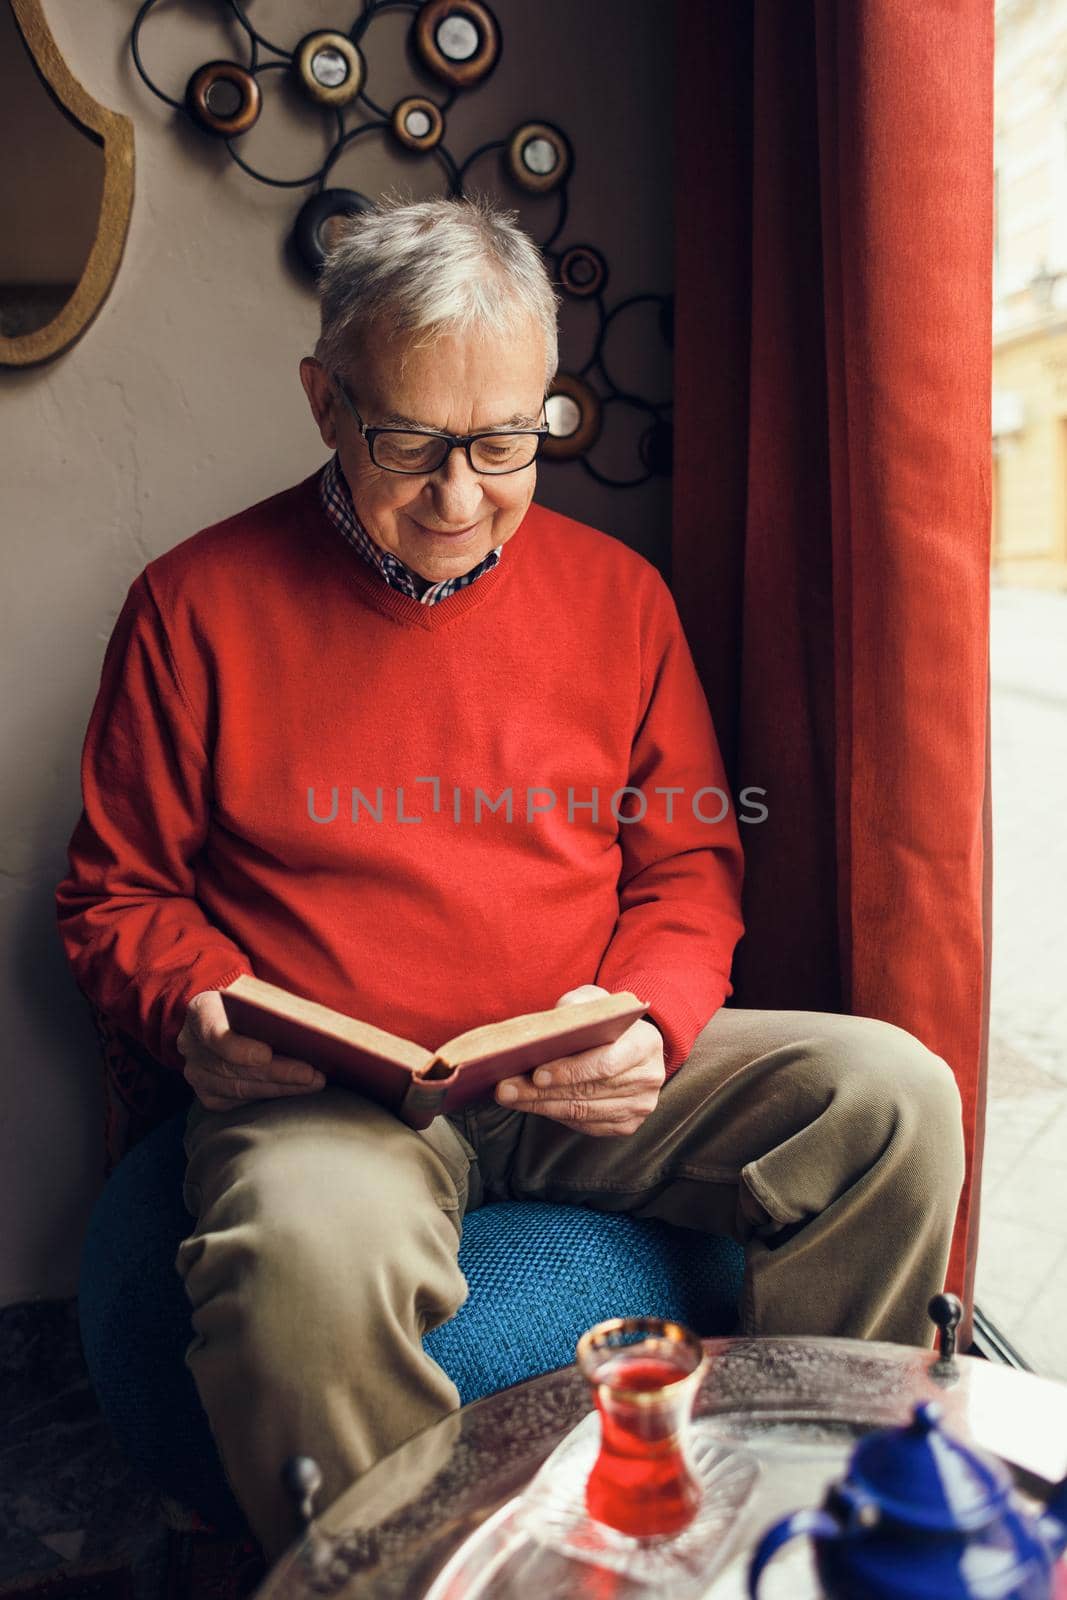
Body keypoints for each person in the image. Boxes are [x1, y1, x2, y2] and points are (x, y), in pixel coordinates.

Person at [55, 194, 965, 1559]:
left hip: (568, 1059)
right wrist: (196, 1003)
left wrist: (648, 1021)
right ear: (323, 403)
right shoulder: (194, 605)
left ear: (548, 405)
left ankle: (821, 1531)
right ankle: (393, 1583)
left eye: (503, 441)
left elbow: (690, 862)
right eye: (411, 444)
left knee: (895, 1098)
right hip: (335, 1096)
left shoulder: (621, 599)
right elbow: (114, 896)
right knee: (305, 1272)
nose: (461, 495)